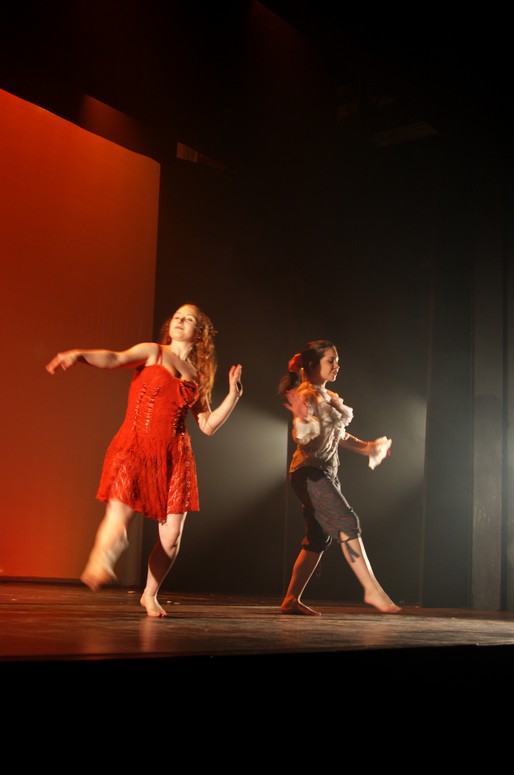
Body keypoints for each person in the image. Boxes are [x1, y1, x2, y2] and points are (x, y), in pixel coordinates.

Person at [46, 303, 243, 617]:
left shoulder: (196, 376)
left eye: (189, 319)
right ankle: (100, 560)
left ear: (200, 334)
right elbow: (115, 359)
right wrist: (79, 354)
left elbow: (206, 426)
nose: (180, 321)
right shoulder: (153, 352)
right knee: (119, 514)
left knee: (171, 537)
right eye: (177, 317)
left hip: (175, 458)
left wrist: (233, 396)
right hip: (135, 446)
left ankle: (149, 595)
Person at [278, 339, 400, 616]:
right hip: (308, 473)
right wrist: (302, 421)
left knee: (318, 538)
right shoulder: (308, 395)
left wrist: (368, 447)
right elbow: (302, 436)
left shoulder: (327, 396)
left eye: (337, 360)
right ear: (313, 365)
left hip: (324, 473)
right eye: (330, 361)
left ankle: (291, 600)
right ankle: (371, 589)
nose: (337, 366)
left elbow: (339, 435)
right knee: (347, 521)